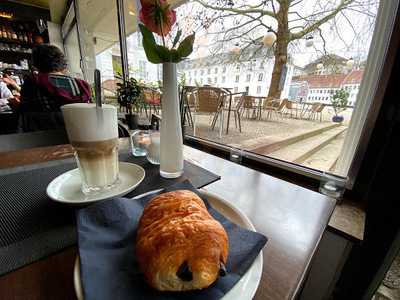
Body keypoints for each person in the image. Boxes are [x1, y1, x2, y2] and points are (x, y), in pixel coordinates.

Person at [20, 44, 91, 132]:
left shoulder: (32, 82)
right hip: (77, 134)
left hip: (42, 138)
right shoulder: (81, 85)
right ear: (62, 62)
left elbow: (26, 112)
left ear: (35, 64)